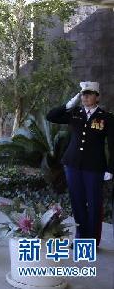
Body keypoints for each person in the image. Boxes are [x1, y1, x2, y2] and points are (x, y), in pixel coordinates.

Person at [46, 82, 114, 245]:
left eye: (89, 94)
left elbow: (113, 145)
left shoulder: (106, 118)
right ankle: (80, 238)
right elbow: (51, 116)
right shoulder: (75, 113)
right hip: (72, 165)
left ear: (97, 97)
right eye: (83, 94)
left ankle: (92, 241)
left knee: (94, 203)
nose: (85, 97)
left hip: (94, 167)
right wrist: (69, 103)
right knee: (77, 202)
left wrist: (111, 168)